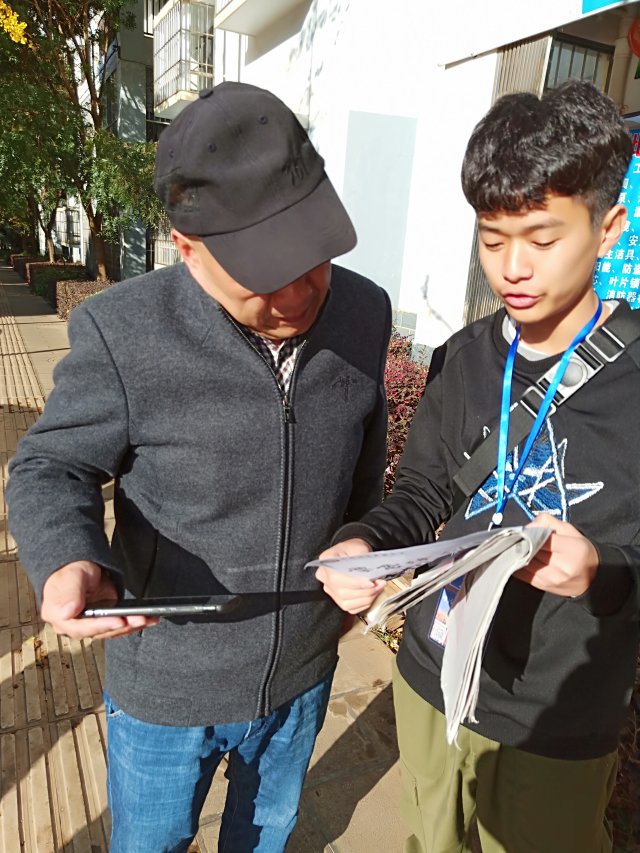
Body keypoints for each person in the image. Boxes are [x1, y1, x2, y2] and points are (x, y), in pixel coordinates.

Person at [7, 81, 391, 853]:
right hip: (166, 687)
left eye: (312, 256)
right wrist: (68, 558)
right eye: (265, 271)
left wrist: (364, 543)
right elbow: (49, 464)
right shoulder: (122, 332)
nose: (298, 292)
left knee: (266, 836)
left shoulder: (365, 311)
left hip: (302, 670)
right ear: (188, 248)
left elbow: (365, 465)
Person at [316, 79, 640, 853]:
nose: (512, 268)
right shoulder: (464, 356)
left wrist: (601, 571)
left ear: (608, 228)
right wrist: (365, 542)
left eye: (541, 238)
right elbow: (425, 488)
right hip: (433, 678)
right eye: (493, 240)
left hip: (555, 716)